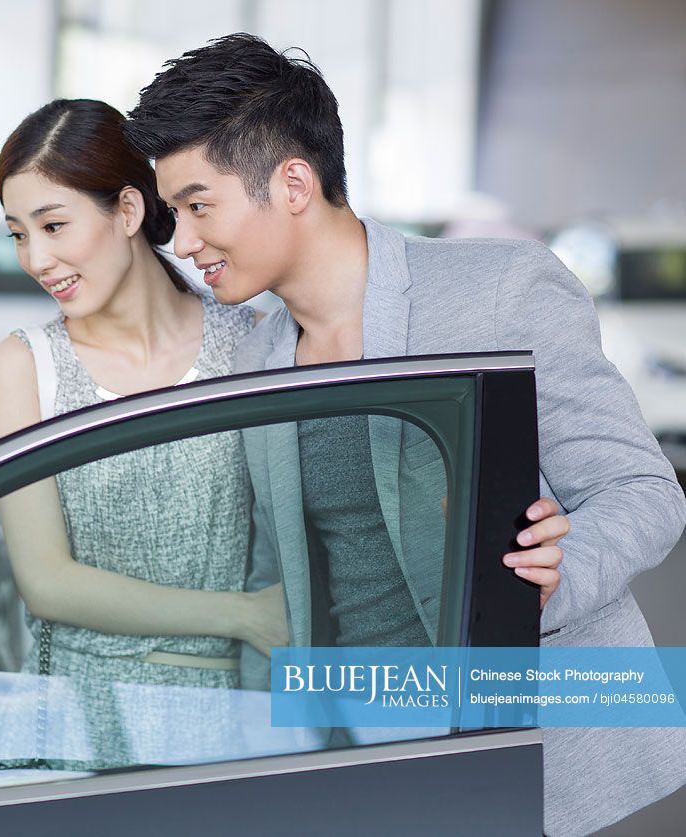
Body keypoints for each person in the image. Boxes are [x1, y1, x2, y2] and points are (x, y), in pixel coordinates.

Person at [124, 32, 686, 835]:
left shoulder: (497, 292)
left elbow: (641, 490)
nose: (181, 241)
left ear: (291, 183)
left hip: (523, 748)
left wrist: (554, 576)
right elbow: (275, 573)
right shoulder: (253, 354)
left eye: (196, 205)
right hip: (357, 760)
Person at [0, 98, 286, 767]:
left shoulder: (250, 341)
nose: (37, 258)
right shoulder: (22, 367)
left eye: (53, 225)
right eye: (18, 234)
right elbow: (47, 582)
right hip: (75, 729)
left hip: (234, 722)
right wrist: (241, 614)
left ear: (126, 209)